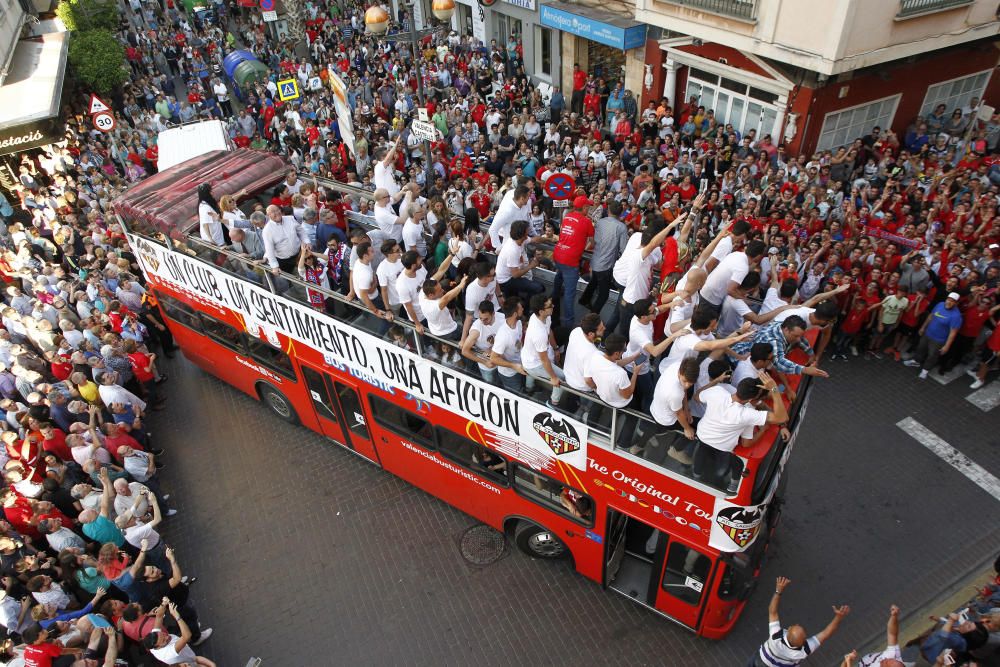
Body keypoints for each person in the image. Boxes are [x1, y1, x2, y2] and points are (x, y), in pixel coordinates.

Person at [694, 372, 788, 494]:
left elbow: (697, 396)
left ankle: (696, 478)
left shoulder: (717, 391)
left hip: (702, 435)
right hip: (722, 448)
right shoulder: (747, 414)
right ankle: (715, 485)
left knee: (700, 458)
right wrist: (774, 389)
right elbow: (781, 418)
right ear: (750, 399)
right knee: (720, 471)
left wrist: (715, 381)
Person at [751, 576, 850, 667]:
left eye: (795, 625)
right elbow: (826, 634)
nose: (798, 623)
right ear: (804, 642)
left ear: (788, 629)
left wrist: (778, 590)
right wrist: (838, 617)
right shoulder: (804, 651)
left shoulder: (776, 637)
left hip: (759, 661)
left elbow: (772, 612)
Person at [551, 196, 595, 327]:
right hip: (570, 261)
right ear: (585, 208)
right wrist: (583, 248)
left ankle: (553, 313)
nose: (589, 209)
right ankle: (568, 325)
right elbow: (592, 242)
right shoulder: (587, 222)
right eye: (588, 207)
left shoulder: (567, 216)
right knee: (570, 295)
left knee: (558, 282)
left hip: (558, 255)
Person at [904, 292, 963, 379]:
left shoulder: (956, 316)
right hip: (927, 333)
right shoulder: (940, 304)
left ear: (956, 303)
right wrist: (923, 327)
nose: (949, 302)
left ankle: (925, 370)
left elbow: (953, 333)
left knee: (932, 355)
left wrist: (946, 346)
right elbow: (930, 316)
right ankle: (916, 361)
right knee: (921, 348)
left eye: (953, 301)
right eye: (948, 299)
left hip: (938, 340)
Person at [262, 204, 310, 275]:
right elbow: (269, 250)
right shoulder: (267, 230)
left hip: (299, 254)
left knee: (307, 274)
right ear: (268, 215)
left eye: (277, 210)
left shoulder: (290, 218)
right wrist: (274, 266)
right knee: (288, 278)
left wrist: (307, 241)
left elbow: (301, 231)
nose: (277, 213)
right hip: (283, 260)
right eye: (273, 212)